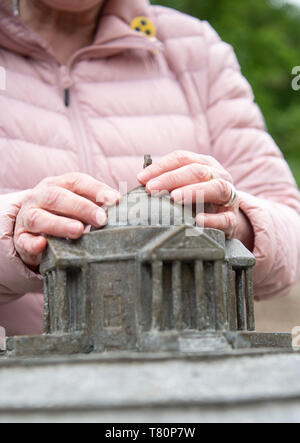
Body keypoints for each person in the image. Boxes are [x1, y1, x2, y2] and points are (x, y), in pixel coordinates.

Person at [0, 0, 300, 336]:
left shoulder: (194, 48)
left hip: (189, 375)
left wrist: (238, 224)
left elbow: (292, 230)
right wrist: (13, 234)